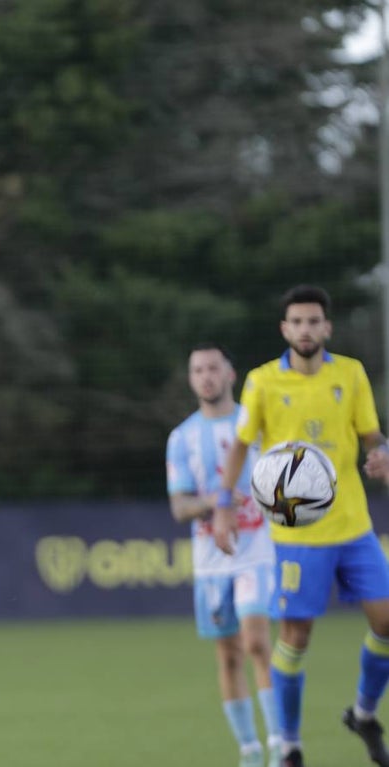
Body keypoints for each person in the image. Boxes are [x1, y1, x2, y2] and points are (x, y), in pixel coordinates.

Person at [213, 285, 389, 767]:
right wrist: (224, 505)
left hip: (353, 526)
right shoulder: (263, 382)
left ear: (326, 327)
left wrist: (383, 455)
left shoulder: (349, 373)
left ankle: (363, 712)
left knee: (388, 623)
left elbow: (372, 435)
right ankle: (289, 744)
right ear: (284, 329)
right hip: (297, 536)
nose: (306, 329)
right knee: (295, 639)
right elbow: (240, 443)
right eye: (297, 322)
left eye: (314, 321)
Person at [166, 343, 281, 767]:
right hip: (212, 559)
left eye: (213, 368)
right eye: (198, 370)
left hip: (256, 549)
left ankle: (280, 744)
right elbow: (180, 506)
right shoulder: (182, 438)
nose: (206, 376)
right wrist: (219, 503)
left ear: (231, 374)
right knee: (228, 654)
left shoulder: (256, 428)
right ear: (191, 378)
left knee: (256, 643)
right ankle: (249, 750)